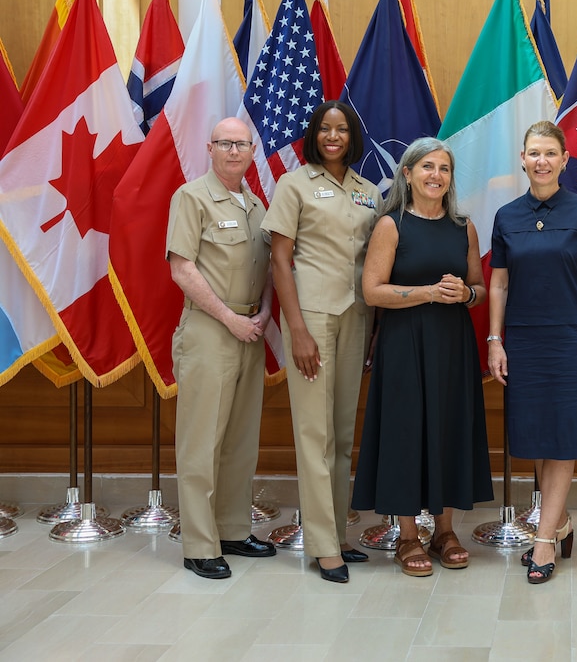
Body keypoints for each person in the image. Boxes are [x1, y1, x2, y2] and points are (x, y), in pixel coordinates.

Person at [352, 137, 493, 578]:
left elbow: (480, 289)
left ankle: (445, 531)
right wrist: (428, 293)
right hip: (403, 344)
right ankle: (409, 535)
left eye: (444, 169)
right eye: (427, 167)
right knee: (407, 432)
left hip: (452, 344)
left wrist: (466, 293)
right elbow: (372, 290)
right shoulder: (391, 226)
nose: (436, 175)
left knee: (449, 429)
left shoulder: (463, 227)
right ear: (408, 174)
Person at [261, 100, 382, 584]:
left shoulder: (369, 191)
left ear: (353, 137)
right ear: (314, 135)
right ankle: (321, 545)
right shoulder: (294, 185)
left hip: (357, 317)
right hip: (311, 318)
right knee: (315, 433)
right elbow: (279, 261)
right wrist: (297, 330)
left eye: (343, 129)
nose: (334, 136)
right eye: (325, 129)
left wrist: (375, 329)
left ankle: (337, 532)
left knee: (342, 434)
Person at [487, 121, 577, 584]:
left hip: (570, 338)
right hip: (522, 338)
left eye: (550, 154)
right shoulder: (506, 216)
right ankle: (558, 522)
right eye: (533, 153)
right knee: (537, 437)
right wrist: (495, 340)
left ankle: (543, 542)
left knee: (562, 436)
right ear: (522, 159)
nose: (541, 161)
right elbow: (498, 282)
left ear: (564, 159)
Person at [168, 117, 276, 579]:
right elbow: (182, 269)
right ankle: (198, 543)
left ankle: (232, 529)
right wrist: (230, 318)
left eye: (242, 144)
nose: (234, 151)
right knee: (201, 442)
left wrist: (265, 312)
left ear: (253, 151)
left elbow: (272, 266)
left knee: (239, 439)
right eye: (225, 143)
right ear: (210, 148)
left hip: (250, 328)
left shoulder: (255, 205)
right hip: (212, 330)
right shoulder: (191, 198)